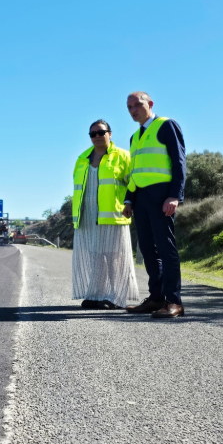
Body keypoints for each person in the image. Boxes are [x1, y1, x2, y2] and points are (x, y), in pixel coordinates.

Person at [122, 91, 187, 318]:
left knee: (165, 248)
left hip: (162, 195)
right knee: (148, 250)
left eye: (137, 105)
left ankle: (174, 301)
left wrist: (174, 196)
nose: (133, 110)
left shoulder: (166, 125)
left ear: (149, 104)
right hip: (140, 198)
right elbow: (135, 172)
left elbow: (179, 162)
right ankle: (156, 298)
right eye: (129, 107)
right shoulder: (134, 137)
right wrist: (129, 199)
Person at [71, 119, 140, 309]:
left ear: (110, 134)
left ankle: (117, 298)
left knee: (114, 257)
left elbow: (133, 184)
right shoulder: (82, 159)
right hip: (87, 216)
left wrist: (129, 203)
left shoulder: (123, 156)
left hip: (113, 215)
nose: (97, 136)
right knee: (95, 256)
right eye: (93, 134)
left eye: (101, 132)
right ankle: (96, 294)